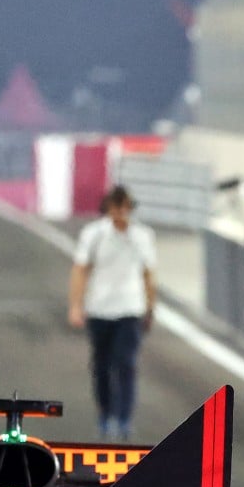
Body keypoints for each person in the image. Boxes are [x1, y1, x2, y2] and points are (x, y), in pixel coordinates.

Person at [68, 185, 158, 441]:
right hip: (100, 309)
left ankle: (124, 418)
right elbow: (80, 269)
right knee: (102, 366)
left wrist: (151, 307)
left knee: (126, 364)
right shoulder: (93, 234)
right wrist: (76, 304)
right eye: (116, 206)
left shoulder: (143, 236)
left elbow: (149, 273)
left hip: (130, 309)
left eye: (124, 207)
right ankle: (106, 414)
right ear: (108, 207)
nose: (120, 212)